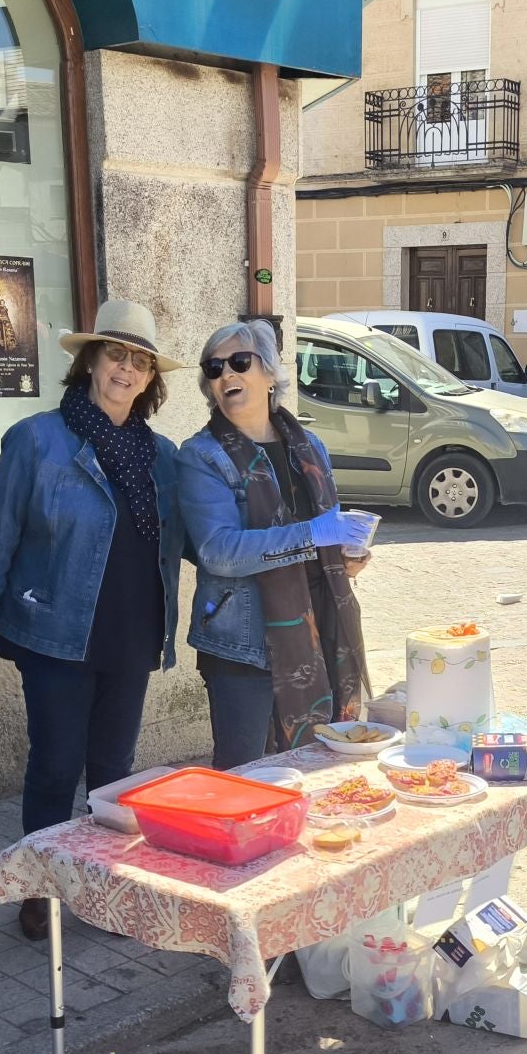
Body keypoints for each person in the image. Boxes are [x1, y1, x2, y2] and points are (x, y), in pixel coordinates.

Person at [0, 301, 186, 941]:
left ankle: (104, 886)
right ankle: (40, 888)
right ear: (89, 360)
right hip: (56, 632)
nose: (126, 369)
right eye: (116, 354)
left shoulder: (160, 455)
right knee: (56, 766)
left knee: (114, 771)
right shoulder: (37, 439)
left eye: (139, 361)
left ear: (150, 379)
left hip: (133, 631)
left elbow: (190, 536)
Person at [175, 318, 376, 771]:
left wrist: (344, 558)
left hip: (322, 626)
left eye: (239, 362)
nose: (226, 375)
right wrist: (313, 536)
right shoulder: (202, 456)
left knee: (321, 768)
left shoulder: (310, 448)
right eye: (214, 368)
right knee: (247, 774)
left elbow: (327, 536)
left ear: (269, 373)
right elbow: (218, 551)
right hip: (244, 643)